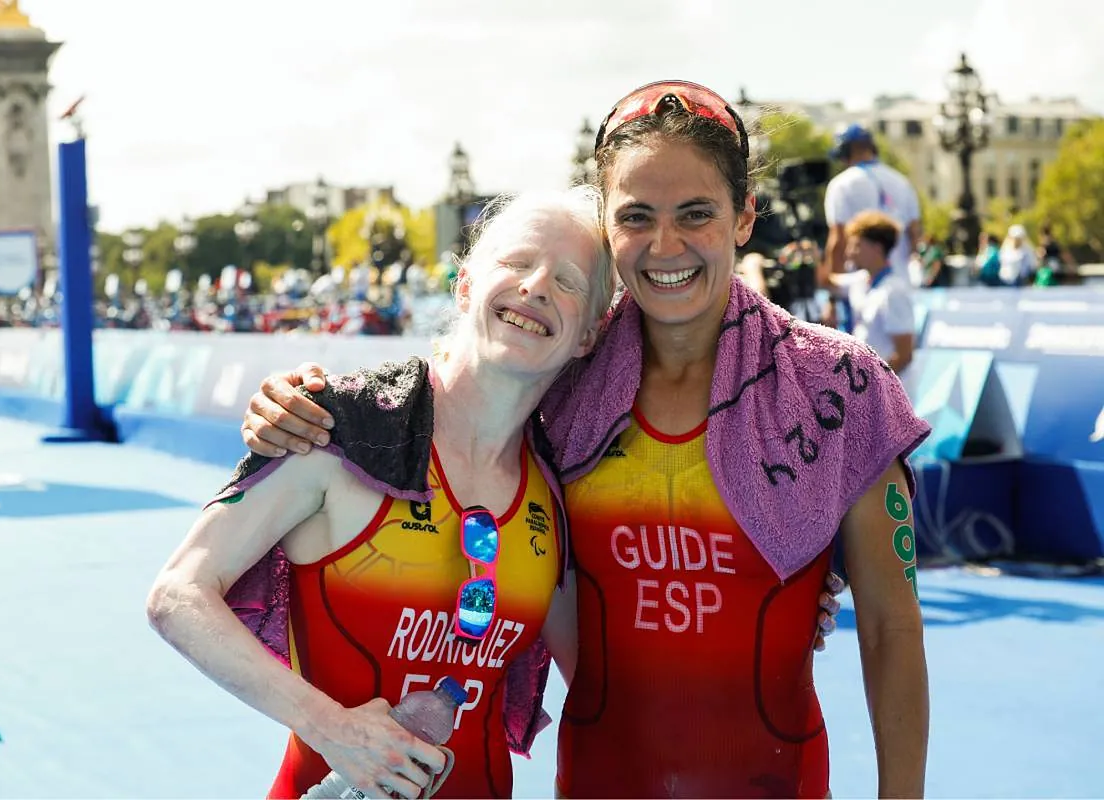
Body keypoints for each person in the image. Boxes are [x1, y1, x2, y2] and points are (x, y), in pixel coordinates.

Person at [239, 81, 929, 797]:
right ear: (607, 221)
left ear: (745, 217)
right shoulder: (559, 383)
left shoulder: (839, 391)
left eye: (696, 214)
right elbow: (447, 402)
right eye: (637, 216)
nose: (667, 246)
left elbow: (892, 632)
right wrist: (307, 407)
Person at [148, 187, 618, 799]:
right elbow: (178, 595)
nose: (535, 287)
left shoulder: (558, 493)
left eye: (569, 281)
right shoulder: (338, 428)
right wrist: (329, 726)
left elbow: (600, 685)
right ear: (465, 284)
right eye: (516, 262)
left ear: (588, 334)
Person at [821, 123, 922, 332]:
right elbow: (914, 234)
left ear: (846, 151)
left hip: (860, 287)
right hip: (900, 283)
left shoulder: (841, 184)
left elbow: (837, 242)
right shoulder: (902, 181)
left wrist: (832, 298)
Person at [835, 210, 916, 374]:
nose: (849, 252)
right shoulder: (860, 281)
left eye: (856, 245)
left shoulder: (894, 292)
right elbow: (825, 282)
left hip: (886, 395)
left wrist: (871, 384)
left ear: (877, 248)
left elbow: (904, 355)